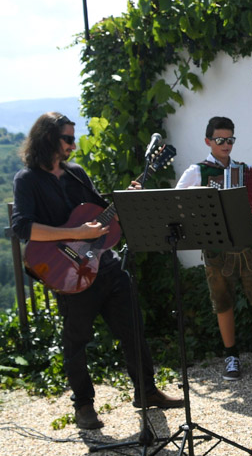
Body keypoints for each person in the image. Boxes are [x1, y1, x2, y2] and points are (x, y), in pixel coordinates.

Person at [11, 112, 184, 430]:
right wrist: (76, 232)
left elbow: (101, 215)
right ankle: (84, 406)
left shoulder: (76, 173)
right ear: (49, 139)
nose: (73, 145)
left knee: (134, 329)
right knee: (77, 340)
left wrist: (126, 200)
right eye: (68, 139)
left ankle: (146, 391)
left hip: (105, 265)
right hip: (68, 274)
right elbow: (22, 227)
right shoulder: (28, 180)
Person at [175, 116, 252, 380]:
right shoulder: (197, 171)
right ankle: (231, 356)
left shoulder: (244, 171)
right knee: (223, 303)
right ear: (208, 141)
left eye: (230, 140)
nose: (226, 145)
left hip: (246, 245)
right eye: (220, 140)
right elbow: (178, 205)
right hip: (216, 248)